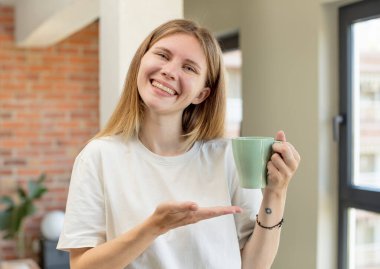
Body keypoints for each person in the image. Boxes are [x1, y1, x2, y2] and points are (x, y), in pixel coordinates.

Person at [57, 19, 300, 269]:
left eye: (189, 68)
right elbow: (82, 266)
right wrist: (154, 227)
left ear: (201, 94)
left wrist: (276, 192)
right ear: (142, 60)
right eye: (162, 55)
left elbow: (254, 266)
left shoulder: (228, 157)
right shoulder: (98, 157)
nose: (170, 71)